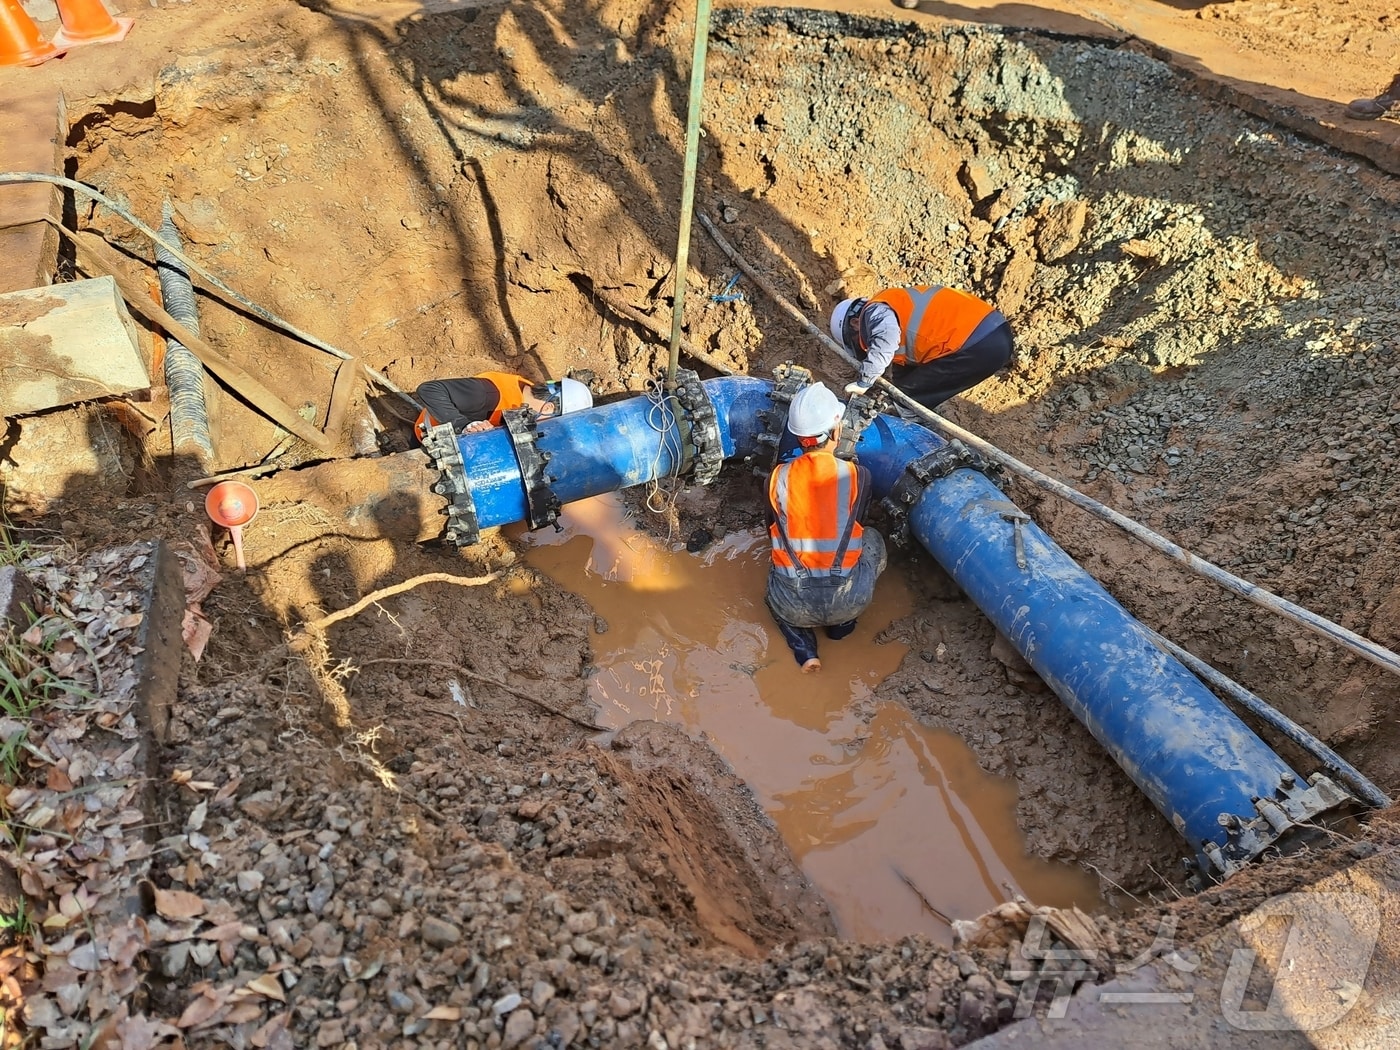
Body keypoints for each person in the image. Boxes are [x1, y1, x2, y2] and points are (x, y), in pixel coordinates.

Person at [765, 382, 887, 673]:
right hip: (849, 597)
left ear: (797, 437)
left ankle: (805, 650)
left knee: (775, 587)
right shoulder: (860, 475)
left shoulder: (777, 477)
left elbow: (772, 526)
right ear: (836, 431)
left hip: (793, 602)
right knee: (872, 537)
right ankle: (841, 629)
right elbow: (858, 522)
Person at [830, 284, 1014, 411]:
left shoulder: (875, 311)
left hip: (978, 340)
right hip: (989, 336)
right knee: (908, 392)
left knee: (907, 398)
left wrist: (864, 382)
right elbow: (904, 368)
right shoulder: (901, 315)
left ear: (855, 322)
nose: (864, 348)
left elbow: (885, 341)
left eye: (854, 340)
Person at [413, 372, 592, 441]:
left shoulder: (525, 395)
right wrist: (463, 425)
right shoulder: (488, 394)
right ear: (548, 408)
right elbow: (429, 389)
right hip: (428, 437)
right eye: (553, 422)